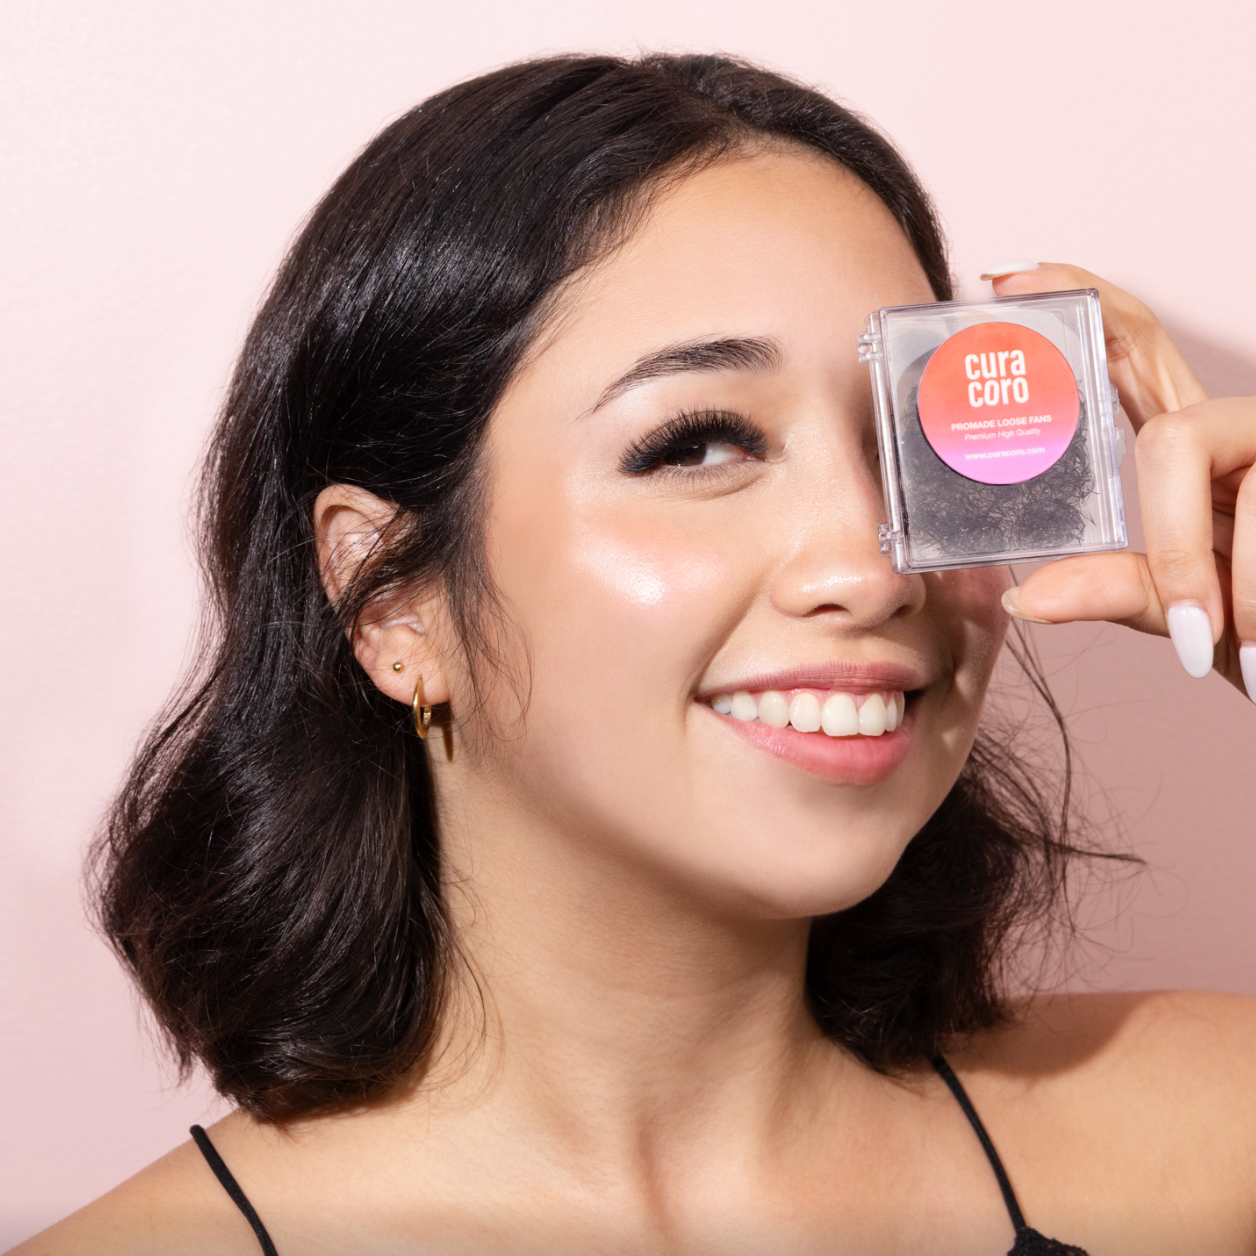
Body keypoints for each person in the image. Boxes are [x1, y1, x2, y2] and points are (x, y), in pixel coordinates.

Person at [14, 52, 1256, 1256]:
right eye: (697, 444)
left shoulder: (1213, 1148)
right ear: (387, 597)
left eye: (912, 444)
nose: (872, 568)